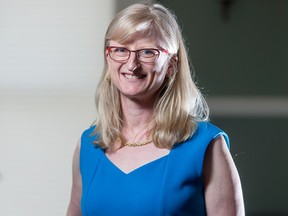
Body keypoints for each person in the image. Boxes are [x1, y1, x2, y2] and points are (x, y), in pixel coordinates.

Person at [67, 3, 244, 216]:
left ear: (171, 65)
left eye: (147, 52)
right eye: (121, 50)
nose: (132, 64)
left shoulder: (206, 145)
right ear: (108, 57)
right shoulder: (88, 145)